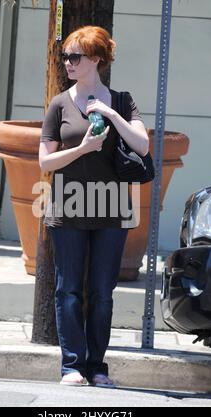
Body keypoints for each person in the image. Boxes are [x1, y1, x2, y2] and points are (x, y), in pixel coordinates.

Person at [39, 26, 149, 387]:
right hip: (68, 207)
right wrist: (83, 149)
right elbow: (46, 163)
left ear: (97, 59)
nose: (68, 62)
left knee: (102, 292)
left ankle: (97, 365)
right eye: (66, 55)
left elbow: (143, 147)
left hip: (112, 209)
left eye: (76, 56)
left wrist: (111, 114)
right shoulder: (59, 104)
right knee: (68, 289)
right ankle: (72, 365)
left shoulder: (122, 99)